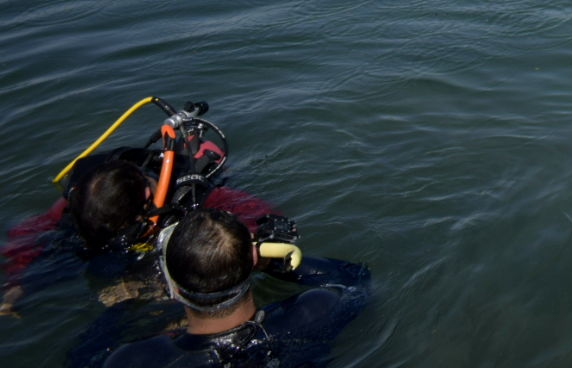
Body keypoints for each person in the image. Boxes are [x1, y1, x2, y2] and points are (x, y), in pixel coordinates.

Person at [2, 102, 270, 316]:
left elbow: (256, 217)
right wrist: (15, 286)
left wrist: (149, 287)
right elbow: (29, 235)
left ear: (145, 198)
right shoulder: (83, 199)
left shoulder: (194, 195)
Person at [99, 208, 369, 368]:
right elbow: (356, 279)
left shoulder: (134, 358)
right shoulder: (313, 312)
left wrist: (122, 303)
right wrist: (269, 263)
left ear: (175, 286)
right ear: (252, 261)